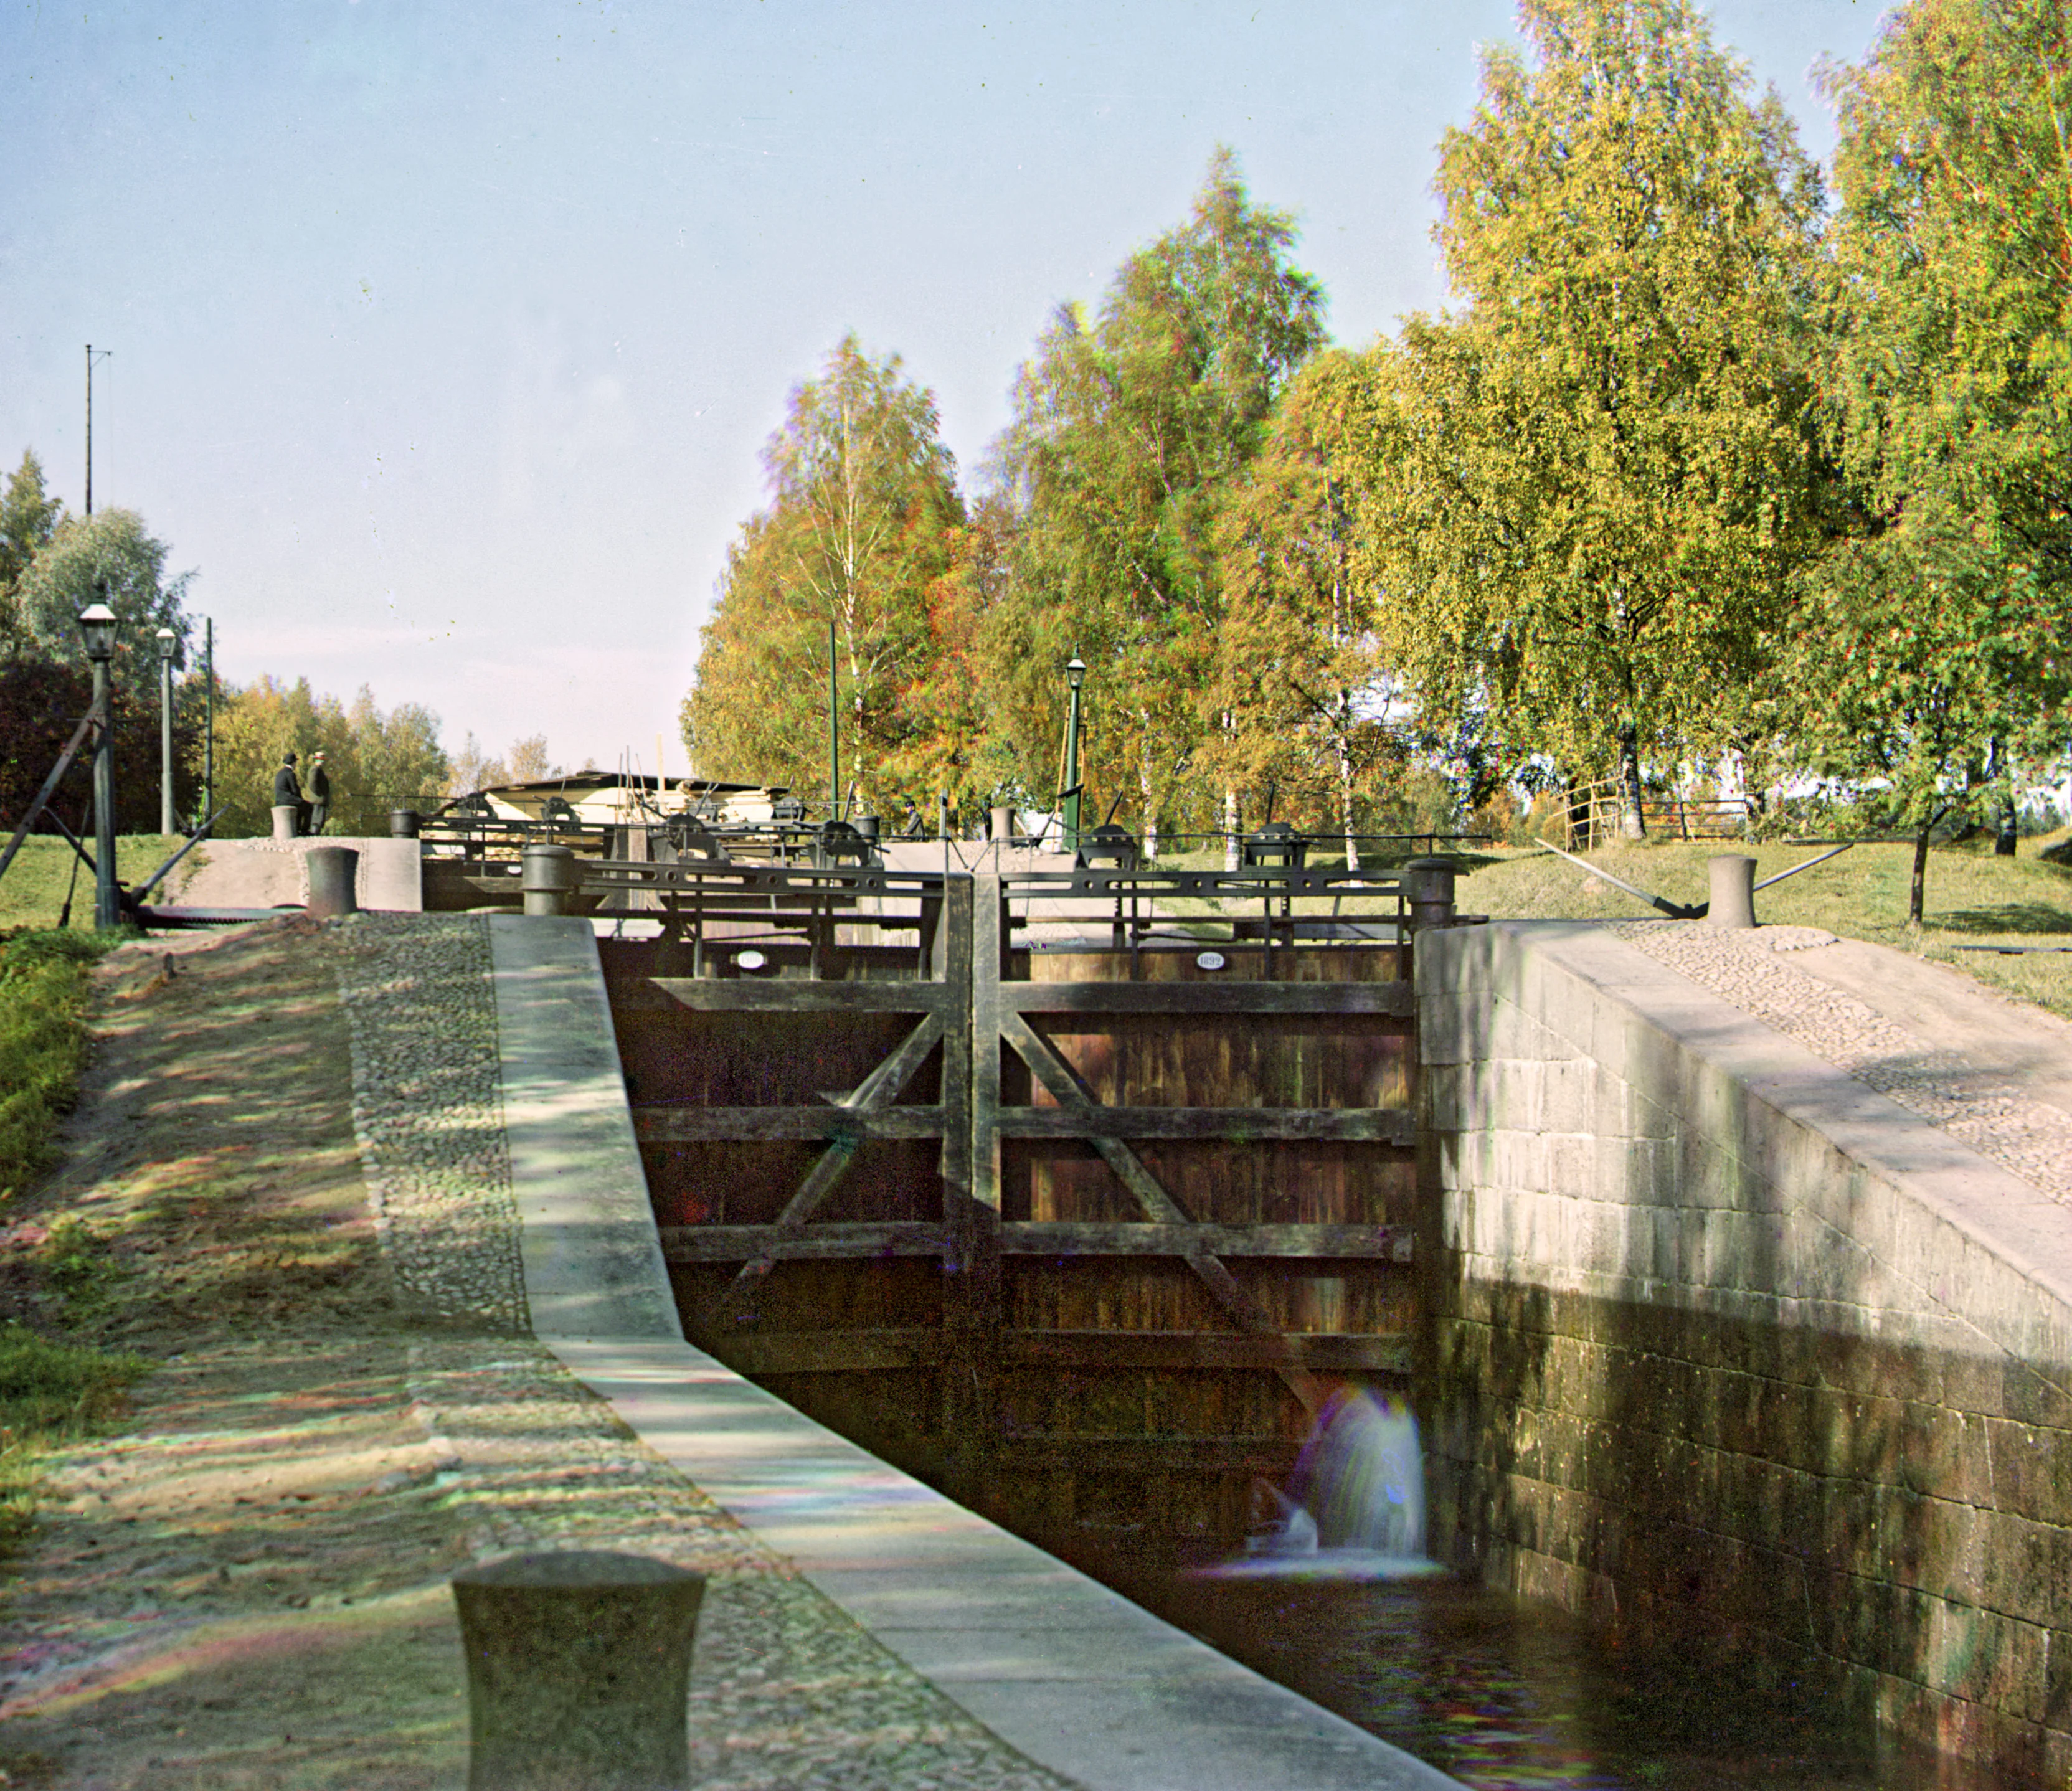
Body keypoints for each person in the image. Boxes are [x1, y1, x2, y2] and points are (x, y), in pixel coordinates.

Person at [273, 752, 305, 834]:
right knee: (307, 807)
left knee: (300, 804)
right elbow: (295, 790)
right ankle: (303, 830)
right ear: (294, 763)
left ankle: (297, 829)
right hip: (287, 799)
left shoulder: (280, 773)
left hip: (279, 800)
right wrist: (301, 799)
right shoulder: (290, 774)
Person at [308, 752, 332, 834]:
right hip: (318, 800)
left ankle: (316, 834)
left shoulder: (319, 770)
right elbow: (312, 783)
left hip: (320, 799)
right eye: (320, 759)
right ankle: (314, 835)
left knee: (320, 820)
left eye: (323, 760)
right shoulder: (315, 769)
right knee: (317, 820)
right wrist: (319, 794)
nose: (322, 762)